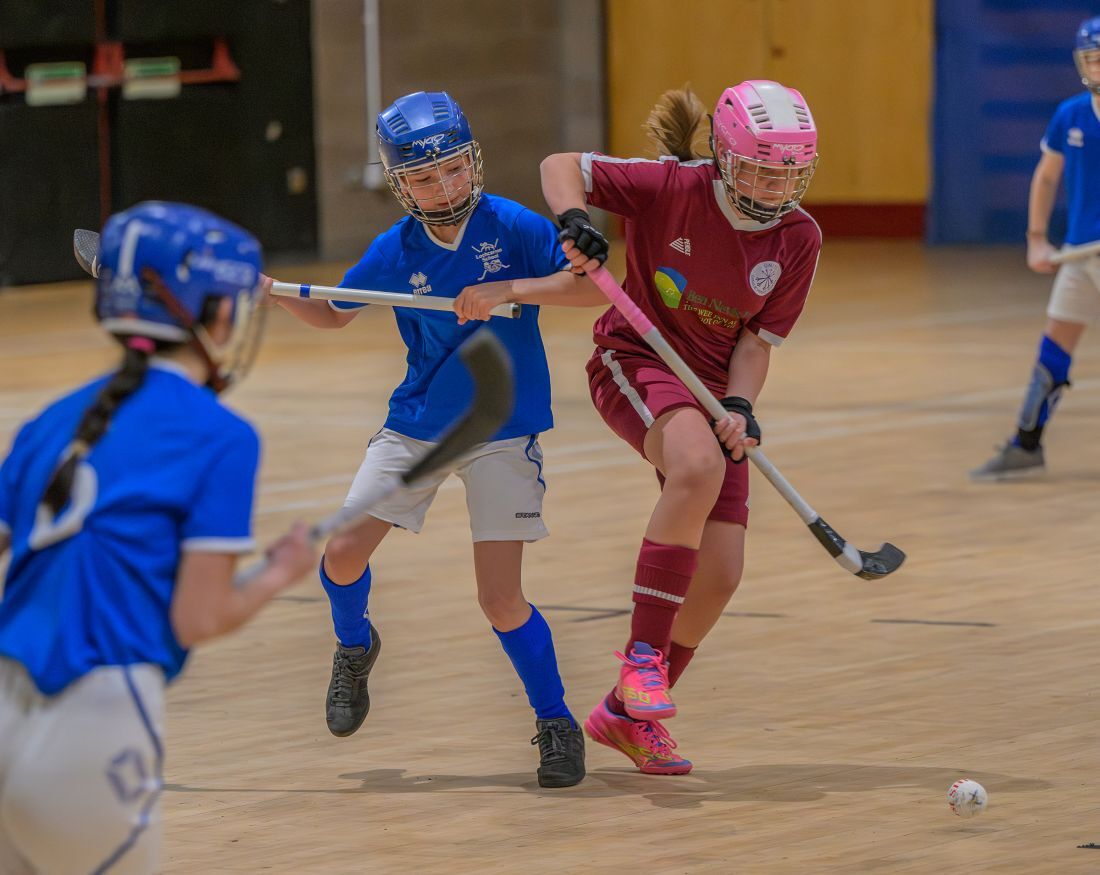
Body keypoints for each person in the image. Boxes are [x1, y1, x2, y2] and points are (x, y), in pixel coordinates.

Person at [265, 91, 606, 788]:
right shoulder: (394, 251)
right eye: (423, 178)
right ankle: (355, 647)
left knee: (500, 598)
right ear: (398, 184)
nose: (443, 187)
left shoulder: (512, 225)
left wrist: (512, 286)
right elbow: (334, 315)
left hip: (501, 428)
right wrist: (270, 288)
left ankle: (555, 721)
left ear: (472, 162)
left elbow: (592, 287)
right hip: (418, 424)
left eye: (452, 169)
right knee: (342, 549)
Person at [0, 202, 317, 874]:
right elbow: (198, 616)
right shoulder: (220, 435)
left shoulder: (48, 422)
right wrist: (278, 572)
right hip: (94, 723)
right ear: (219, 313)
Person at [540, 80, 822, 774]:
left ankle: (625, 715)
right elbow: (560, 165)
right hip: (634, 359)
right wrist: (575, 218)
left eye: (790, 169)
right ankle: (641, 658)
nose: (775, 182)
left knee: (721, 573)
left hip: (717, 392)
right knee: (696, 464)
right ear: (725, 156)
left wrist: (743, 406)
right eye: (761, 166)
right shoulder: (669, 186)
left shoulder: (798, 238)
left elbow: (755, 342)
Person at [971, 16, 1100, 480]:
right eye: (1093, 58)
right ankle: (1027, 445)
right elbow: (1046, 177)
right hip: (1081, 256)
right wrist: (1037, 238)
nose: (1099, 67)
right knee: (1054, 348)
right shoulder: (1071, 113)